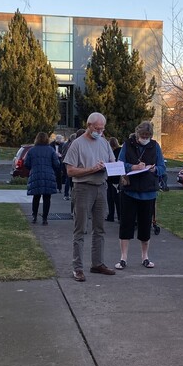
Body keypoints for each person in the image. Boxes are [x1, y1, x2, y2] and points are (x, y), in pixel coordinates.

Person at [64, 114, 116, 282]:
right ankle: (77, 268)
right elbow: (70, 171)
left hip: (101, 187)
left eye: (102, 129)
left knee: (100, 228)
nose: (100, 131)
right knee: (80, 229)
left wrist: (110, 168)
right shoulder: (77, 144)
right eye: (97, 128)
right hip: (83, 188)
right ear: (89, 125)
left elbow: (112, 162)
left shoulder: (104, 142)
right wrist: (91, 169)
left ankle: (97, 263)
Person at [115, 122, 166, 270]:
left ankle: (145, 256)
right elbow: (120, 163)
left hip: (148, 192)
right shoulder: (127, 145)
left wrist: (155, 169)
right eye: (143, 136)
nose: (145, 138)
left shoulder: (155, 146)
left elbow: (162, 167)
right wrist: (132, 167)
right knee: (126, 224)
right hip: (129, 191)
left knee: (145, 226)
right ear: (137, 134)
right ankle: (123, 257)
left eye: (148, 136)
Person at [26, 131, 61, 224]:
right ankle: (45, 218)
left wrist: (33, 168)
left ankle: (34, 216)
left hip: (36, 174)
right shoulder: (51, 150)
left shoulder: (32, 150)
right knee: (47, 198)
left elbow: (26, 163)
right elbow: (57, 164)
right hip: (48, 174)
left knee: (36, 197)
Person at [106, 137, 122, 222]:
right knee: (116, 199)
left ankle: (111, 215)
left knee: (112, 199)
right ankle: (119, 216)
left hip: (113, 178)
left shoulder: (113, 153)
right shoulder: (120, 151)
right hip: (115, 178)